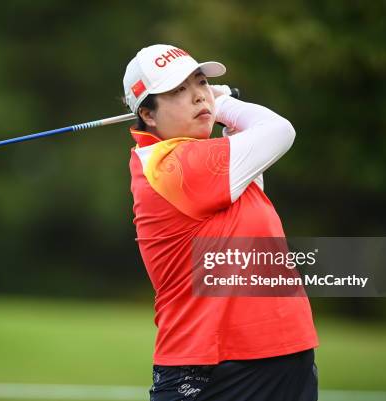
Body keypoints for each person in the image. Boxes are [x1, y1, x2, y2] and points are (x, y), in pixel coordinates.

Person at [123, 44, 319, 401]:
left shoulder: (214, 166)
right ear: (149, 115)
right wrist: (223, 103)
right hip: (214, 368)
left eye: (200, 83)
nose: (198, 96)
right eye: (179, 90)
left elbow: (253, 156)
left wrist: (215, 109)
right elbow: (280, 130)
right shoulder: (173, 166)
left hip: (285, 353)